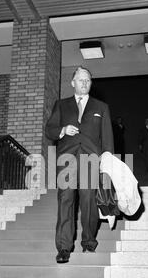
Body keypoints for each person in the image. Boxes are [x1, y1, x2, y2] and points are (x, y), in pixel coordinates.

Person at [45, 66, 114, 263]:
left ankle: (89, 242)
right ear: (73, 83)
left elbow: (107, 139)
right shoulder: (61, 105)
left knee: (89, 201)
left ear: (91, 83)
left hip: (91, 159)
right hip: (67, 158)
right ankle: (64, 248)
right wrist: (63, 129)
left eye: (88, 80)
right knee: (65, 199)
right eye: (80, 80)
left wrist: (107, 162)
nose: (84, 83)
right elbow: (49, 130)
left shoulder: (101, 107)